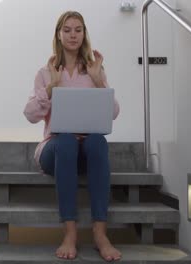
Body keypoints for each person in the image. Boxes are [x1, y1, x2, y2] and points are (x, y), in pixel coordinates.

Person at [23, 11, 121, 261]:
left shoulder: (94, 70)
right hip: (54, 151)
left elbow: (113, 113)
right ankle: (70, 233)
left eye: (78, 29)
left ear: (84, 34)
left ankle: (100, 233)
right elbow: (30, 114)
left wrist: (100, 82)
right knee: (65, 139)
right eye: (67, 30)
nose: (73, 34)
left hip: (86, 151)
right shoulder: (46, 72)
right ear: (58, 34)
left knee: (98, 140)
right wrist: (51, 87)